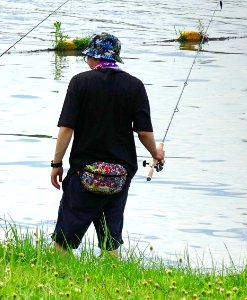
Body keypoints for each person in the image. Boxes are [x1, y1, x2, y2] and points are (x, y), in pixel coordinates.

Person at [50, 32, 165, 257]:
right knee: (110, 244)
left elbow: (66, 128)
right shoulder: (135, 86)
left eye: (87, 57)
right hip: (118, 179)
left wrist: (56, 163)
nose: (87, 61)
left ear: (93, 58)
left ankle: (60, 278)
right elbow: (143, 132)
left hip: (84, 173)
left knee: (63, 242)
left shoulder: (80, 82)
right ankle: (111, 283)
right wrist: (156, 153)